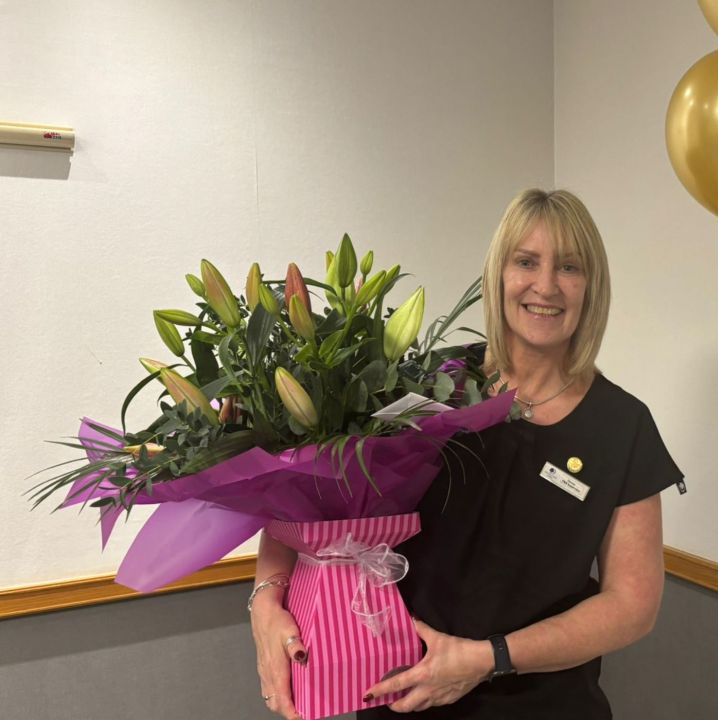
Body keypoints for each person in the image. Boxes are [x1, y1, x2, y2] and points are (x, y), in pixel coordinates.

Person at [250, 188, 684, 719]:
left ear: (591, 287)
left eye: (569, 267)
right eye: (526, 262)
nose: (545, 285)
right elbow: (310, 497)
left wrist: (488, 659)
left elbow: (632, 607)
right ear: (498, 274)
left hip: (544, 706)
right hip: (397, 695)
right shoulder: (427, 383)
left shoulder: (623, 425)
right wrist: (265, 598)